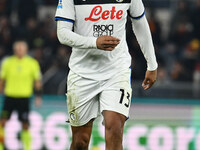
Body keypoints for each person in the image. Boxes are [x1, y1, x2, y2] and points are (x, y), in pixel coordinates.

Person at [55, 0, 158, 149]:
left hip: (116, 71)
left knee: (115, 128)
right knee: (80, 141)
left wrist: (152, 64)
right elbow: (62, 34)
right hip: (82, 74)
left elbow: (140, 23)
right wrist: (94, 42)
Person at [0, 40, 42, 150]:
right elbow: (2, 80)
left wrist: (38, 96)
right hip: (9, 96)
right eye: (17, 49)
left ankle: (27, 148)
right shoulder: (7, 62)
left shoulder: (32, 63)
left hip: (24, 98)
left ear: (26, 50)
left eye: (21, 49)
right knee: (2, 122)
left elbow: (37, 82)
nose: (19, 51)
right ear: (14, 50)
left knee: (25, 124)